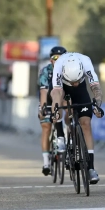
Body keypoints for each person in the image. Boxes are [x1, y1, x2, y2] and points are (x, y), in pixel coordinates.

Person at [50, 52, 103, 184]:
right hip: (62, 88)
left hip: (82, 89)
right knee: (58, 105)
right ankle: (61, 136)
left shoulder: (85, 62)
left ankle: (91, 168)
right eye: (72, 81)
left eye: (76, 81)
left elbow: (95, 88)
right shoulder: (59, 65)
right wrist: (56, 110)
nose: (74, 84)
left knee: (86, 124)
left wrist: (97, 105)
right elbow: (57, 92)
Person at [38, 46, 67, 176]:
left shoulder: (69, 70)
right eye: (55, 58)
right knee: (46, 127)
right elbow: (43, 91)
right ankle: (46, 163)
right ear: (51, 60)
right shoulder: (46, 71)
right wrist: (43, 107)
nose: (58, 60)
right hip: (49, 99)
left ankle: (71, 141)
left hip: (64, 98)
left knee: (70, 114)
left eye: (62, 58)